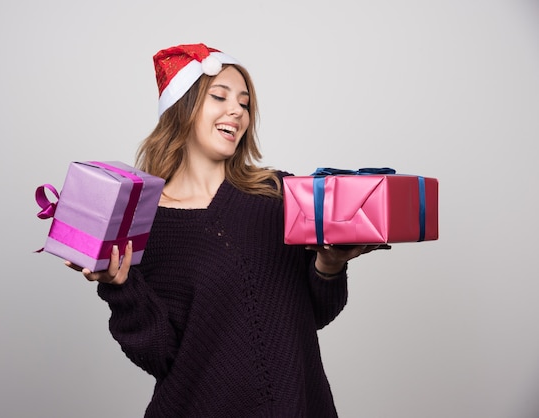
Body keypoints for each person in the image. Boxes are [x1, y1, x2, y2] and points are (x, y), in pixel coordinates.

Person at [66, 43, 384, 417]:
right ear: (182, 108)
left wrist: (330, 266)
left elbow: (313, 315)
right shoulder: (144, 222)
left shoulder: (279, 194)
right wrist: (120, 288)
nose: (237, 110)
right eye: (220, 96)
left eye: (245, 103)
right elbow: (160, 354)